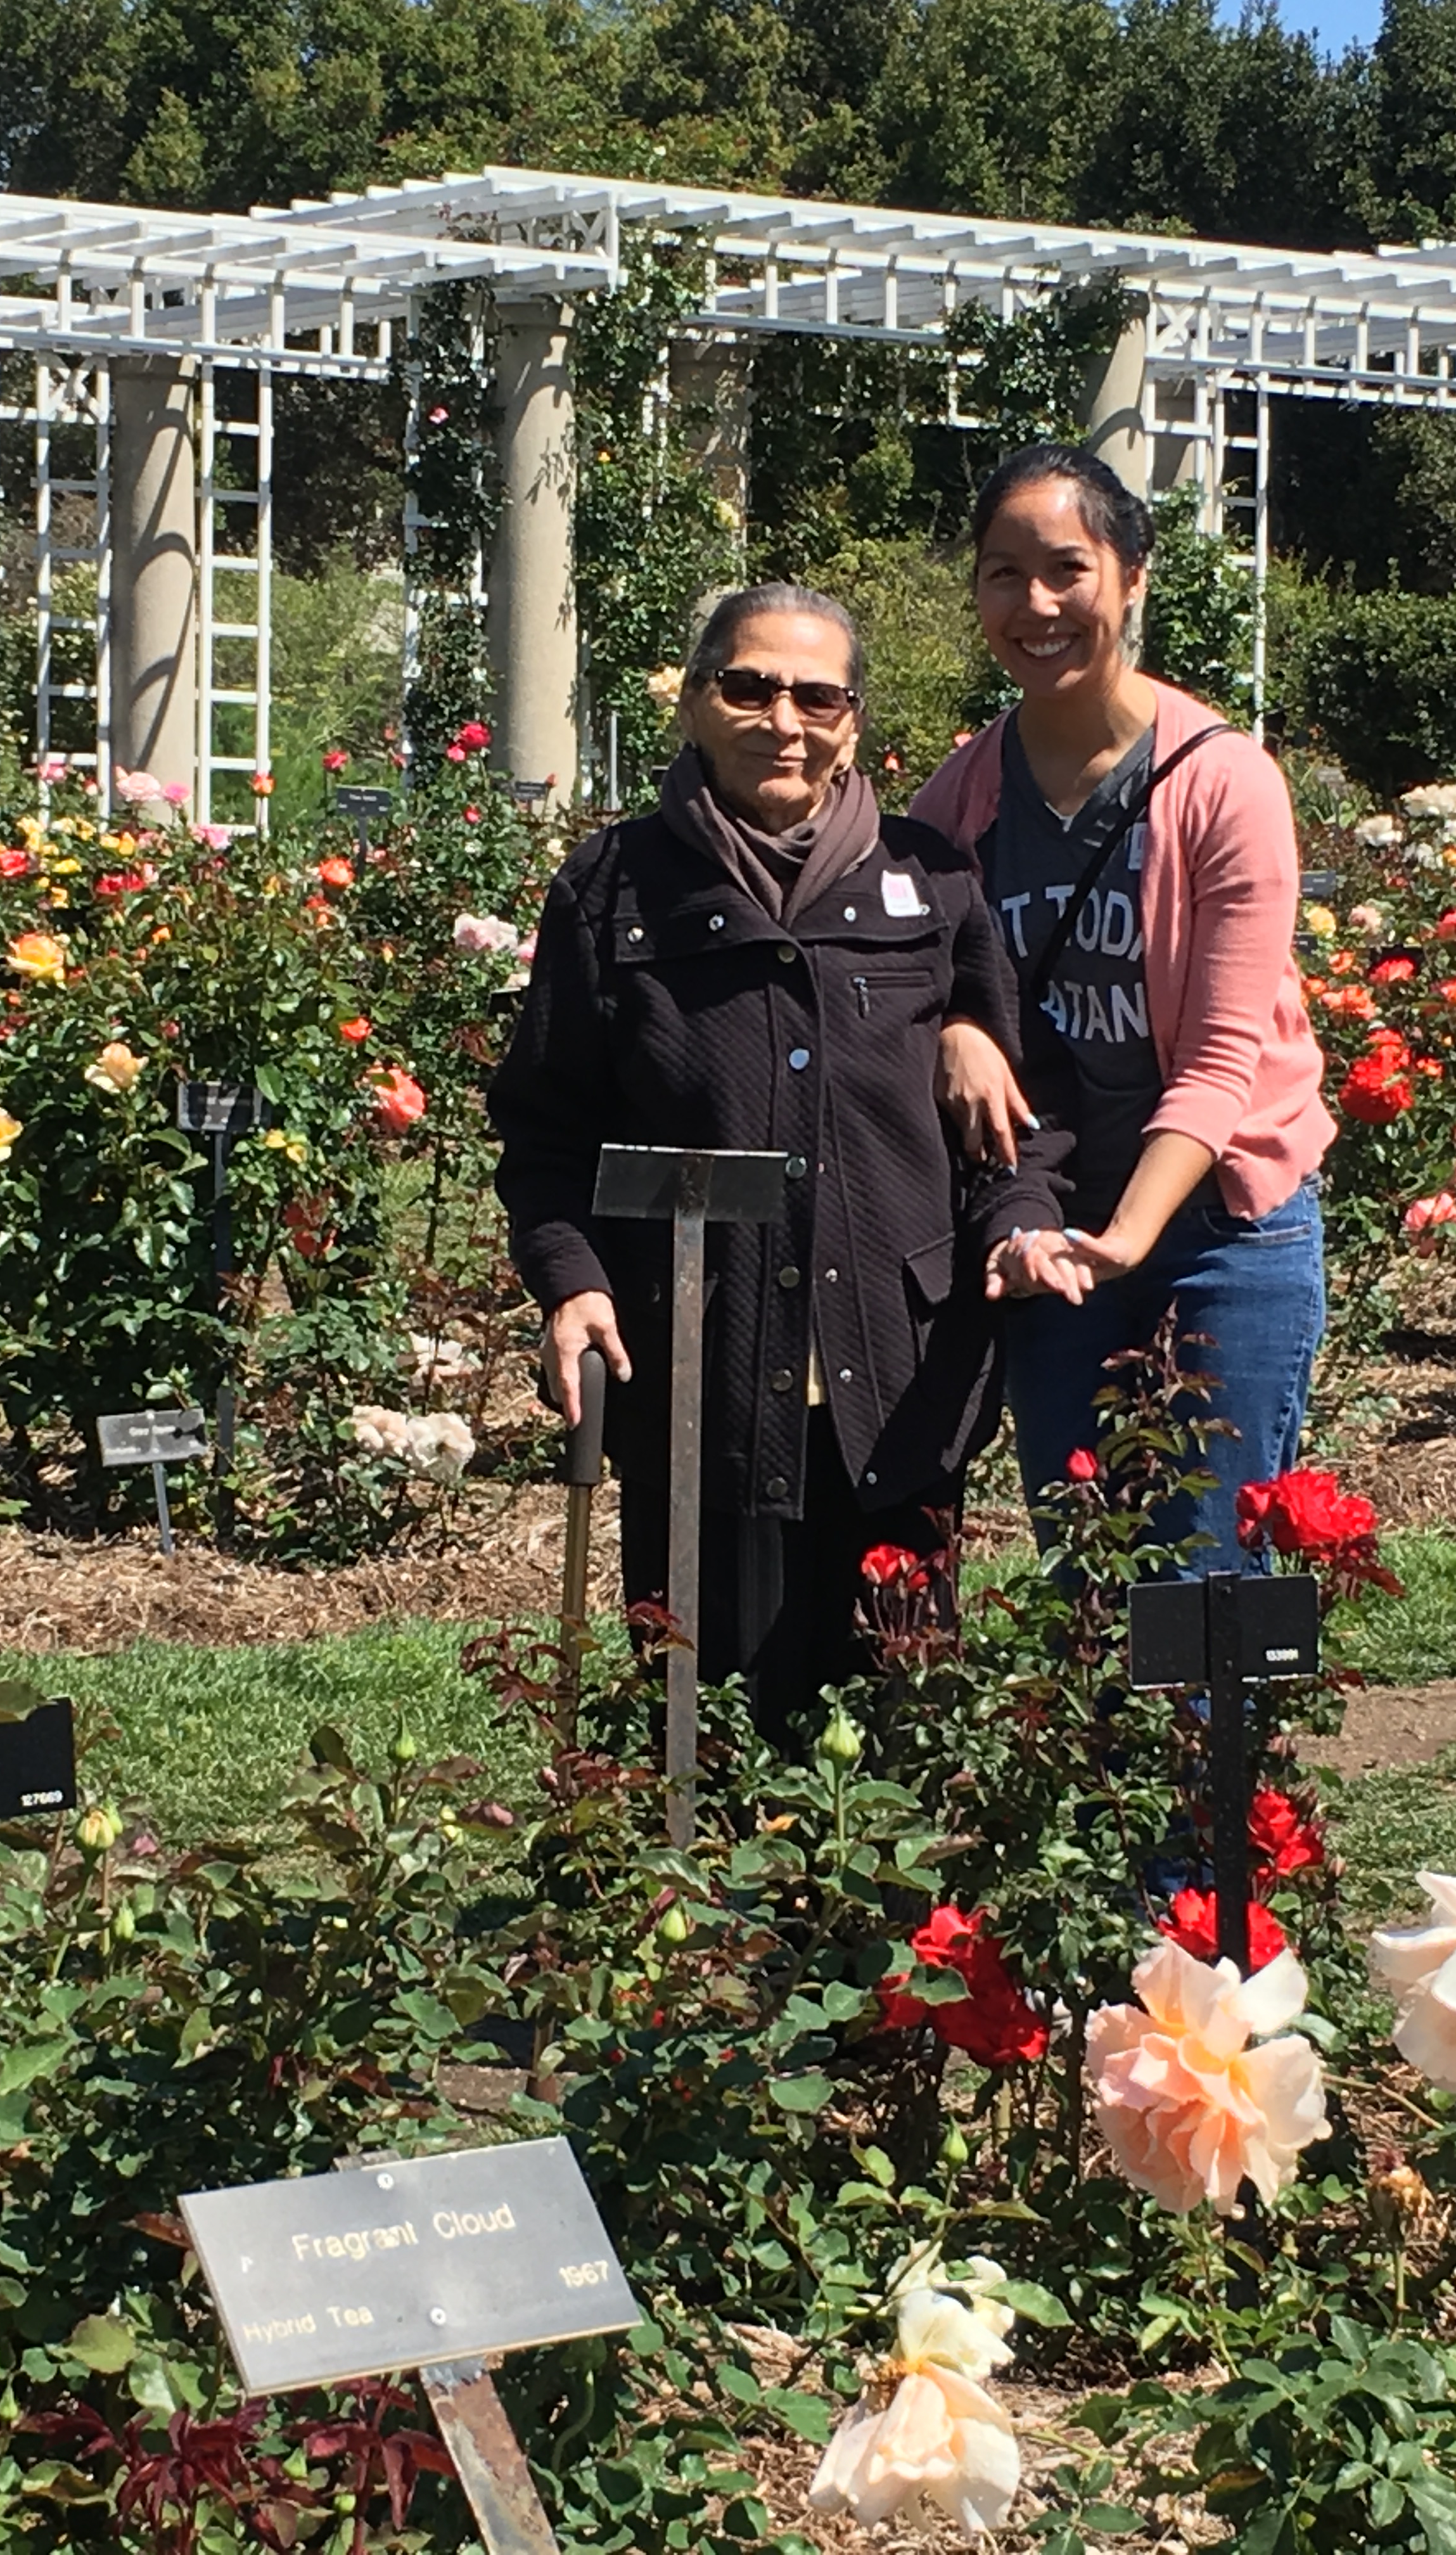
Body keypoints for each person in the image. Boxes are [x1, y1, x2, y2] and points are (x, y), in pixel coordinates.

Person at [489, 581, 1065, 1746]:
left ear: (854, 721)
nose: (784, 721)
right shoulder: (613, 888)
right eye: (749, 689)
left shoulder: (932, 884)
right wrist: (572, 1279)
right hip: (696, 1376)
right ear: (695, 702)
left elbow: (1014, 1120)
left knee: (899, 1729)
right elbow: (546, 1129)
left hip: (896, 1383)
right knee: (702, 1731)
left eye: (817, 696)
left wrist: (1019, 1221)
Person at [912, 443, 1335, 1570]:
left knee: (1204, 1574)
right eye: (1004, 575)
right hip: (1055, 1220)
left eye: (1068, 569)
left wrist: (1126, 1244)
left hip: (1221, 1228)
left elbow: (1222, 1061)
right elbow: (921, 973)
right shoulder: (961, 800)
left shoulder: (1222, 782)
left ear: (1132, 577)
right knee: (1086, 1566)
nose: (1037, 605)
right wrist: (959, 1027)